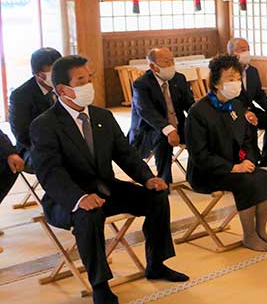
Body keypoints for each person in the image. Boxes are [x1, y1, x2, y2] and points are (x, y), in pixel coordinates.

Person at [30, 55, 188, 304]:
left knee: (157, 196)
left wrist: (148, 178)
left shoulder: (102, 116)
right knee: (88, 214)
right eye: (81, 80)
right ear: (62, 89)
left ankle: (156, 263)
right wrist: (79, 198)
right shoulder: (45, 124)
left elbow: (125, 154)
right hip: (66, 199)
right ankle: (100, 285)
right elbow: (50, 173)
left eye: (89, 78)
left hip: (105, 189)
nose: (89, 84)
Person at [185, 54, 267, 252]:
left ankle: (261, 231)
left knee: (263, 177)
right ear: (215, 82)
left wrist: (247, 159)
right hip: (208, 172)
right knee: (246, 183)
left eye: (238, 78)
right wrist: (232, 167)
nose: (236, 83)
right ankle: (249, 236)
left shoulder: (237, 105)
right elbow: (199, 154)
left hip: (237, 165)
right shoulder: (199, 111)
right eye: (230, 79)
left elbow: (247, 139)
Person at [128, 48, 195, 184]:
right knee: (163, 137)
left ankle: (195, 176)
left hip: (178, 125)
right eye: (166, 62)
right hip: (149, 129)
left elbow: (190, 105)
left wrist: (201, 121)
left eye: (172, 61)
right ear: (153, 66)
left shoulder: (179, 79)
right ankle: (165, 181)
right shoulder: (141, 84)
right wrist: (168, 129)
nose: (171, 65)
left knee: (198, 133)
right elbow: (146, 111)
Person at [3, 47, 61, 203]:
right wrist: (52, 145)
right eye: (52, 72)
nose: (57, 76)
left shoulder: (67, 86)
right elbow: (21, 134)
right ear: (38, 74)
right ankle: (60, 200)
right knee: (52, 160)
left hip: (66, 142)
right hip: (33, 148)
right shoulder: (21, 95)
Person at [228, 38, 267, 167]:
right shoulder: (227, 72)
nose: (246, 52)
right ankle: (251, 158)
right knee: (249, 123)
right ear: (232, 53)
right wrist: (244, 112)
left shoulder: (252, 71)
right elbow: (227, 98)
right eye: (242, 50)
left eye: (248, 49)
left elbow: (259, 94)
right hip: (232, 111)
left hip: (250, 108)